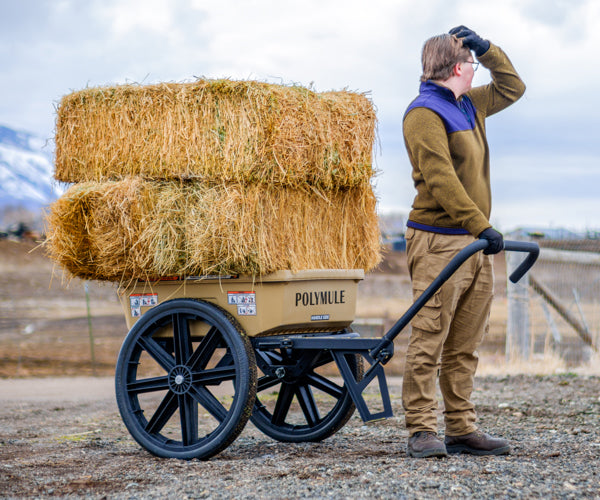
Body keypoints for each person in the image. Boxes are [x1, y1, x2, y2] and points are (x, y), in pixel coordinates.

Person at [401, 26, 525, 458]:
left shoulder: (469, 105)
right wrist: (481, 226)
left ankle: (461, 428)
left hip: (474, 242)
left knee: (465, 342)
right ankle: (421, 429)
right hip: (438, 242)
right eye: (471, 62)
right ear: (457, 67)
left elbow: (513, 86)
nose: (475, 69)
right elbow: (441, 181)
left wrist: (487, 49)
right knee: (430, 336)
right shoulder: (424, 114)